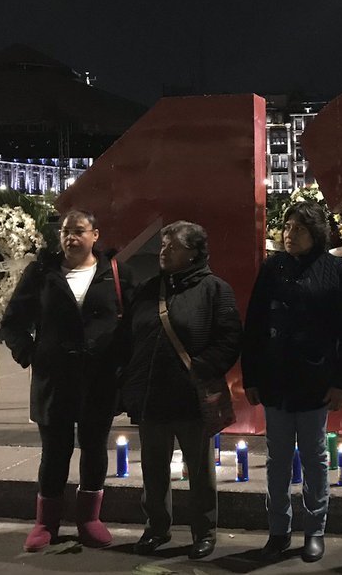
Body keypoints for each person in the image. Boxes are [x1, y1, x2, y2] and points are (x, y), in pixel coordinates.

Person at [1, 209, 132, 552]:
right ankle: (46, 523)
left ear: (95, 235)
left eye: (79, 231)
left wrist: (122, 364)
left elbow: (131, 323)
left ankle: (90, 519)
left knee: (93, 448)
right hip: (54, 380)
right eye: (65, 232)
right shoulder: (43, 272)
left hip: (99, 380)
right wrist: (31, 354)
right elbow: (13, 321)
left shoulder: (114, 273)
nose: (71, 238)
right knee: (55, 452)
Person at [241, 201, 342, 564]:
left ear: (316, 234)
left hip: (315, 379)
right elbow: (255, 324)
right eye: (287, 227)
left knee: (314, 458)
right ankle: (278, 530)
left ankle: (314, 530)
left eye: (299, 229)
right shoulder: (272, 267)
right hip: (275, 379)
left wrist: (340, 381)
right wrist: (251, 376)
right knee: (277, 459)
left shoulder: (334, 270)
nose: (290, 234)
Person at [119, 220, 242, 560]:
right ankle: (156, 528)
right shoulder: (148, 290)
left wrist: (202, 368)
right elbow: (128, 336)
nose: (163, 251)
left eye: (173, 246)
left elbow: (231, 338)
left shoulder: (215, 289)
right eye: (162, 244)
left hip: (191, 398)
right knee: (153, 470)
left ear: (194, 253)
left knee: (200, 472)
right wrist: (128, 379)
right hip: (152, 397)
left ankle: (204, 532)